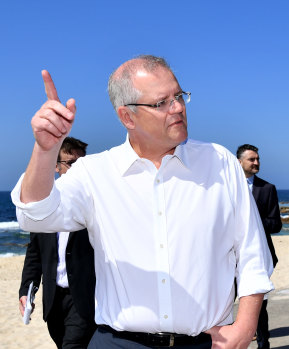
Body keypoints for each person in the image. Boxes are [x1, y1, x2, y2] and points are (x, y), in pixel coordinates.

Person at [12, 55, 273, 349]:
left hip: (207, 343)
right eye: (161, 103)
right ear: (127, 117)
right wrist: (45, 150)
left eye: (179, 96)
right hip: (118, 342)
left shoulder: (220, 162)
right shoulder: (94, 173)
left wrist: (245, 326)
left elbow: (252, 252)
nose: (178, 108)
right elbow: (34, 215)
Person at [19, 137, 96, 349]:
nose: (76, 169)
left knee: (72, 345)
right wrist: (26, 291)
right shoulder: (43, 206)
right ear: (55, 166)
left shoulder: (93, 203)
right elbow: (34, 254)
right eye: (70, 163)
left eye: (81, 163)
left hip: (83, 299)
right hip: (53, 301)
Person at [236, 144, 282, 349]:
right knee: (225, 304)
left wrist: (252, 221)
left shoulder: (267, 188)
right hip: (230, 256)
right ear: (239, 162)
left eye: (257, 159)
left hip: (258, 256)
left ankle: (264, 344)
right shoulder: (227, 186)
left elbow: (276, 224)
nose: (256, 163)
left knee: (258, 304)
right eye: (251, 159)